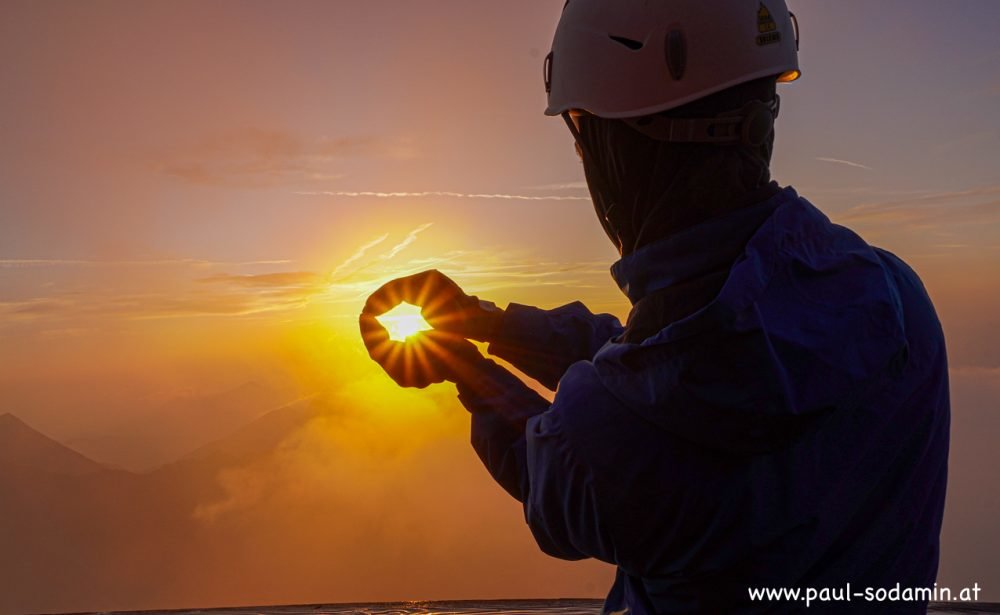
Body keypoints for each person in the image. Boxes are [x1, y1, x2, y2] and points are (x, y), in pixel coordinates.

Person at [359, 1, 950, 612]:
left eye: (580, 128)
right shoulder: (900, 302)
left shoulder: (617, 435)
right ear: (762, 115)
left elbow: (556, 458)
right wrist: (486, 323)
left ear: (612, 141)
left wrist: (459, 367)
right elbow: (653, 368)